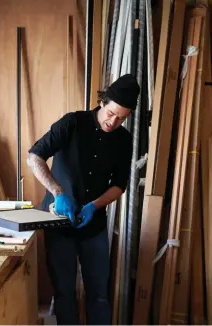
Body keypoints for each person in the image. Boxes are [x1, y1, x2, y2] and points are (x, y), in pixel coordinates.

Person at [26, 74, 140, 325]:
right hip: (59, 221)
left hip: (94, 224)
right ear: (103, 102)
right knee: (65, 292)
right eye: (111, 113)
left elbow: (120, 185)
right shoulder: (72, 123)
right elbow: (34, 157)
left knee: (99, 294)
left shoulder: (124, 139)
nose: (113, 121)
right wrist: (58, 192)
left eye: (122, 118)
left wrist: (94, 206)